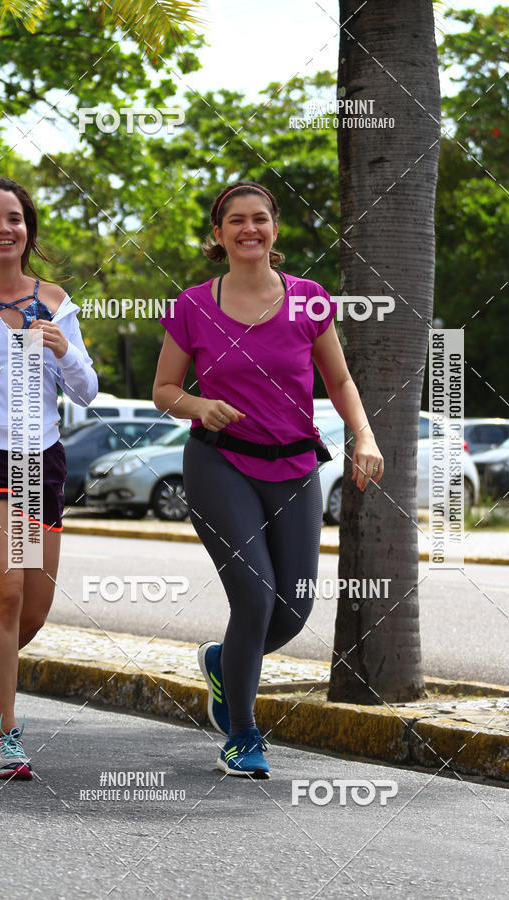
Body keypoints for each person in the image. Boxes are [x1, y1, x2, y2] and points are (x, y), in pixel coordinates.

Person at [153, 181, 383, 779]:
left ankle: (221, 663)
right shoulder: (192, 305)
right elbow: (164, 390)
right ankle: (242, 734)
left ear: (274, 229)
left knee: (293, 610)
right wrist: (199, 406)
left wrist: (364, 436)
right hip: (219, 463)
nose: (248, 229)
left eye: (259, 219)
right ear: (219, 233)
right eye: (236, 220)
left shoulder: (309, 300)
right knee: (254, 598)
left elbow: (339, 381)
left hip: (295, 466)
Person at [0, 175, 98, 779]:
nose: (4, 229)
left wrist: (63, 350)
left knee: (30, 612)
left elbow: (87, 390)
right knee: (3, 593)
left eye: (15, 218)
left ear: (27, 230)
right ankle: (4, 739)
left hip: (37, 465)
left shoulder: (54, 302)